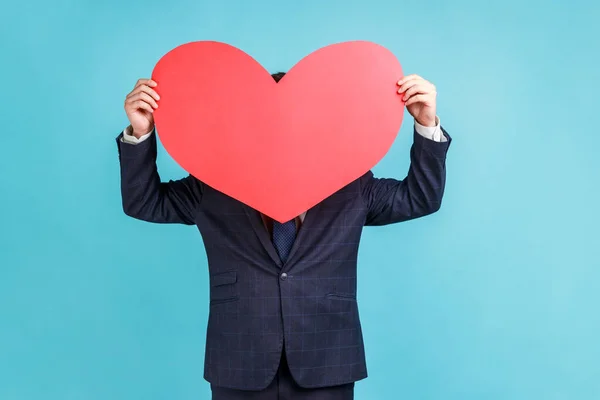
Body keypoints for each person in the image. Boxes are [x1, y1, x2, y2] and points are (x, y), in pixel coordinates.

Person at [116, 71, 451, 400]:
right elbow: (144, 202)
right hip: (239, 362)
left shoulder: (350, 184)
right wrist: (141, 133)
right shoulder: (213, 184)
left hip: (327, 361)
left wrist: (425, 123)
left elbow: (420, 197)